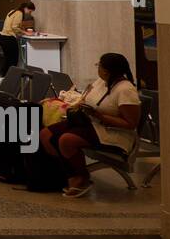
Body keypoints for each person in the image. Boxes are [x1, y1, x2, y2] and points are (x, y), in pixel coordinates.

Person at [39, 53, 141, 198]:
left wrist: (100, 116)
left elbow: (130, 124)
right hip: (90, 123)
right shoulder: (101, 81)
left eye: (99, 65)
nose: (97, 68)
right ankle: (66, 172)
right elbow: (88, 97)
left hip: (112, 132)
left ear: (107, 70)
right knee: (46, 135)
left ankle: (81, 177)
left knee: (66, 140)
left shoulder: (125, 90)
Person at [0, 1, 36, 71]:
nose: (29, 14)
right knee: (13, 60)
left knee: (7, 60)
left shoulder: (12, 11)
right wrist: (26, 33)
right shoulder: (20, 13)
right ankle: (11, 78)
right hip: (9, 38)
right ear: (26, 8)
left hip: (2, 37)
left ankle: (4, 77)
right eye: (30, 11)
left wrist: (22, 30)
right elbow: (14, 27)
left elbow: (12, 25)